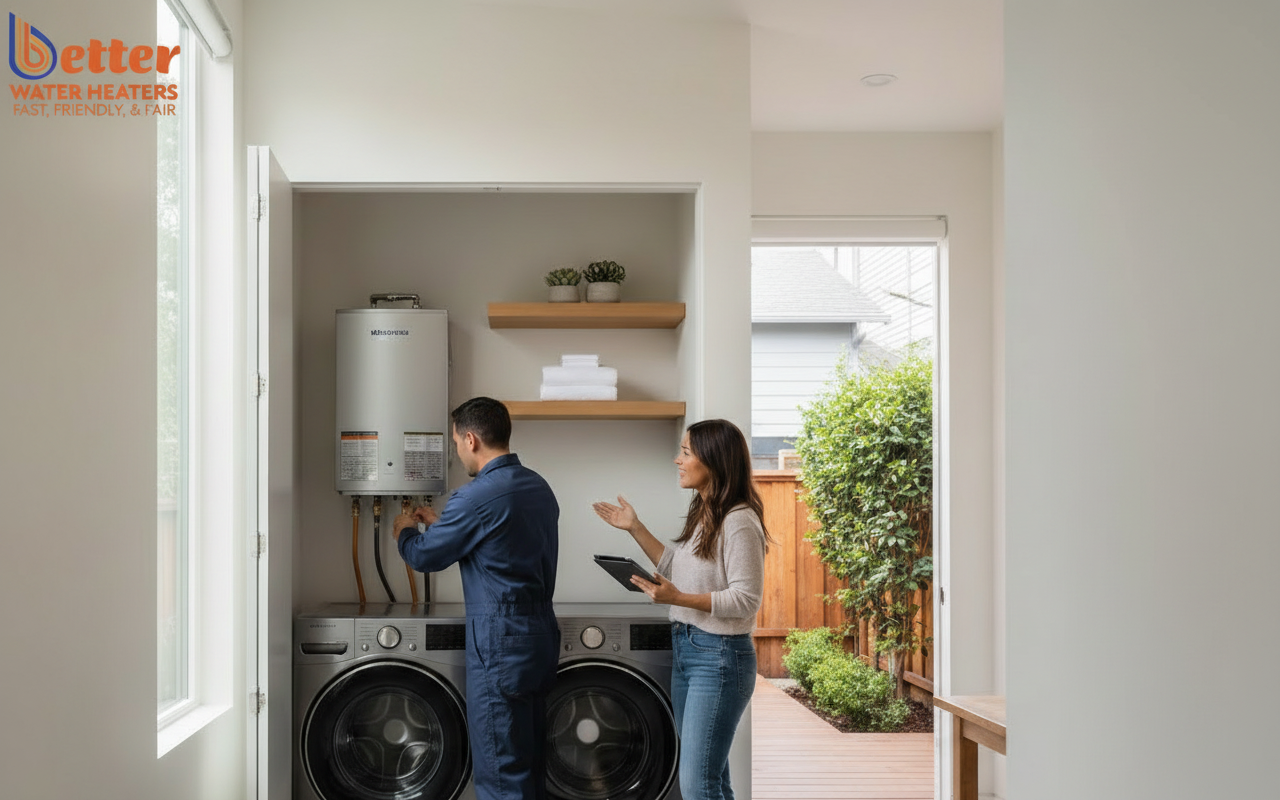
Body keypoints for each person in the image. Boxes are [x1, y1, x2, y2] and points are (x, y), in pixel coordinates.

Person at [592, 418, 771, 800]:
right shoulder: (705, 512)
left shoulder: (739, 521)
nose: (677, 460)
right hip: (690, 651)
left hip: (720, 658)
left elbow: (746, 599)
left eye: (686, 452)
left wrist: (678, 599)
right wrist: (634, 527)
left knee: (697, 786)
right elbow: (676, 567)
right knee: (712, 779)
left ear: (714, 460)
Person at [392, 396, 560, 800]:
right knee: (529, 763)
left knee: (501, 773)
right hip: (539, 637)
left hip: (499, 643)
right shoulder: (538, 486)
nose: (457, 452)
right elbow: (501, 545)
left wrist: (404, 531)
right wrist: (444, 522)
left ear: (471, 439)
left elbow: (425, 557)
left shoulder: (475, 496)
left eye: (455, 442)